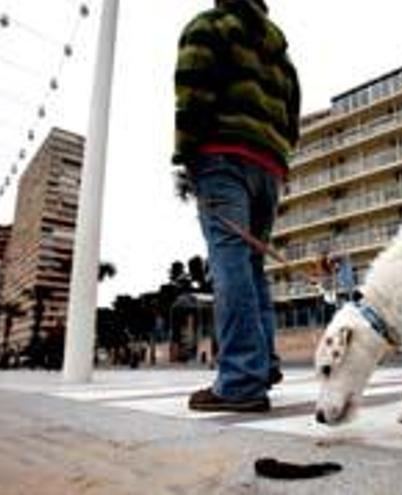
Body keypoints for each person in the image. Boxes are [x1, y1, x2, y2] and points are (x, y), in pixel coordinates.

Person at [173, 0, 300, 412]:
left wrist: (186, 157)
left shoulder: (208, 26)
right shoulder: (282, 60)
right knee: (251, 267)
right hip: (268, 167)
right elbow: (292, 122)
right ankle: (262, 366)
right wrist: (276, 160)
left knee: (228, 263)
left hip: (223, 157)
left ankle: (242, 380)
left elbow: (192, 97)